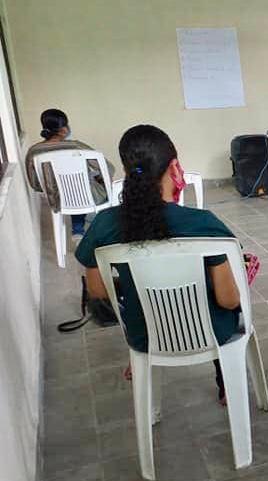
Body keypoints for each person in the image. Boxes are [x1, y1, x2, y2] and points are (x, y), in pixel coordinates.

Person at [75, 125, 241, 404]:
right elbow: (227, 300)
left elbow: (99, 292)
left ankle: (141, 361)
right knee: (225, 288)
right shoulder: (205, 223)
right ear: (175, 168)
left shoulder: (104, 225)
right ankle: (225, 380)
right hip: (211, 333)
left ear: (127, 173)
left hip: (145, 335)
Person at [25, 109, 115, 237]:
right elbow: (108, 168)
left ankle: (78, 230)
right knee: (84, 184)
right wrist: (99, 179)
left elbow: (34, 184)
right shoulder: (76, 146)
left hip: (57, 200)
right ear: (63, 129)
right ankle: (88, 226)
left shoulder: (33, 151)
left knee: (68, 187)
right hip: (85, 196)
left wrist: (51, 187)